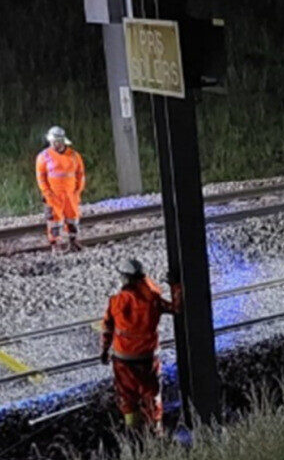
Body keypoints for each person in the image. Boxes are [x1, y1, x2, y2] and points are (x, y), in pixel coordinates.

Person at [100, 259, 182, 434]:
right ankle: (156, 432)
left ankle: (133, 434)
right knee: (152, 396)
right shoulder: (153, 300)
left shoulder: (116, 301)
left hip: (123, 361)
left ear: (125, 278)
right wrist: (175, 286)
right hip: (148, 359)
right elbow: (177, 308)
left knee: (127, 398)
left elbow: (107, 327)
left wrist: (105, 351)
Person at [35, 126, 85, 252]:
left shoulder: (74, 156)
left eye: (56, 141)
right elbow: (41, 178)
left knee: (72, 219)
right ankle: (55, 245)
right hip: (53, 196)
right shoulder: (43, 156)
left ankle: (73, 242)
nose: (53, 144)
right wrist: (47, 193)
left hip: (70, 194)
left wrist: (77, 191)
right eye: (52, 142)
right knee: (54, 222)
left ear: (62, 141)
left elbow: (80, 174)